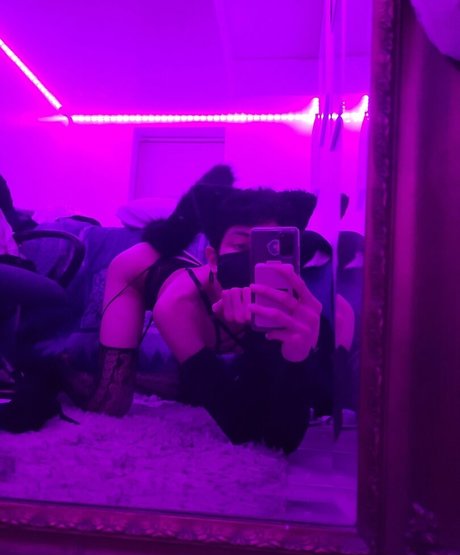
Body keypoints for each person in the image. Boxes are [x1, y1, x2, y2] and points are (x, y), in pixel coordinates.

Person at [72, 166, 324, 454]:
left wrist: (296, 358)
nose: (254, 262)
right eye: (242, 246)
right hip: (137, 269)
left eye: (268, 250)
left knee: (202, 386)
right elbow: (240, 427)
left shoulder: (287, 303)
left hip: (208, 281)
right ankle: (59, 370)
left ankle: (151, 379)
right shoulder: (177, 305)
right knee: (110, 401)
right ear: (213, 259)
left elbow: (279, 440)